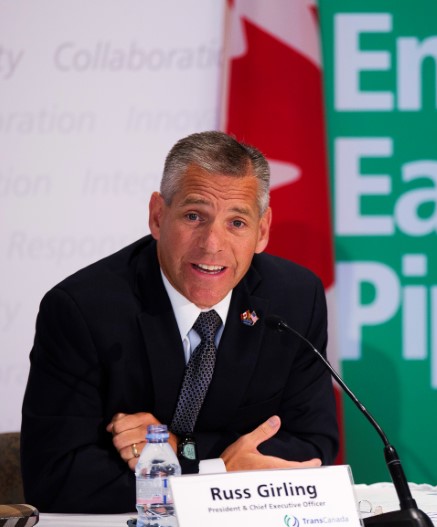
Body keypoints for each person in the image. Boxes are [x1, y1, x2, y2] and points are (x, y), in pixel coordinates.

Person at [20, 131, 339, 513]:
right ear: (158, 216)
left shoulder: (295, 298)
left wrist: (191, 463)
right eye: (194, 216)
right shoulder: (81, 310)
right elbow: (56, 476)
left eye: (237, 223)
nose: (211, 244)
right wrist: (223, 472)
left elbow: (312, 446)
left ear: (263, 231)